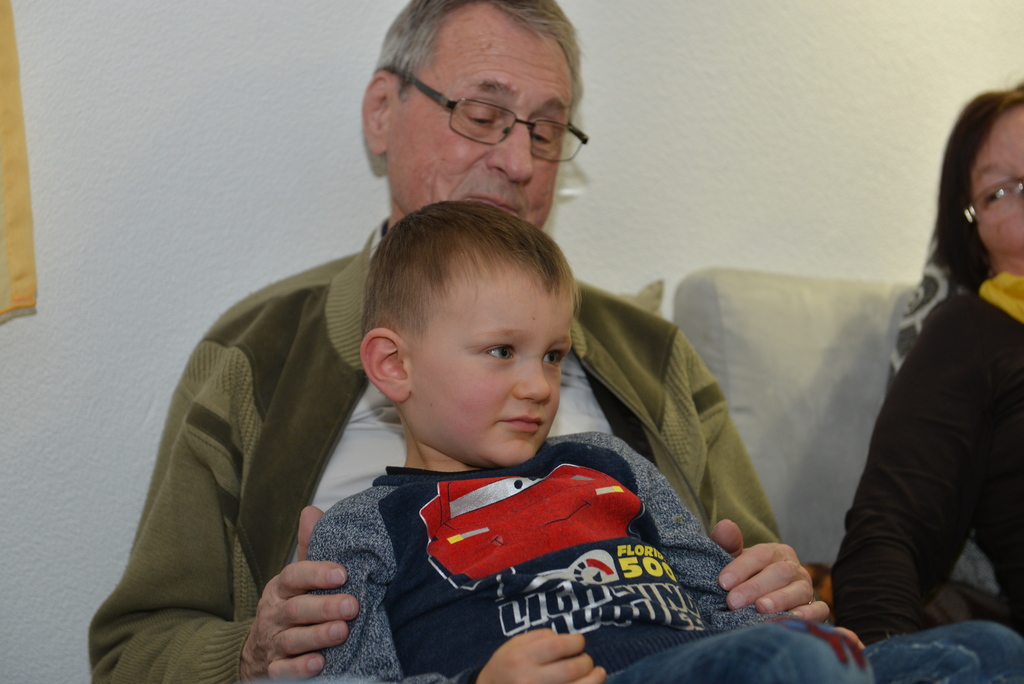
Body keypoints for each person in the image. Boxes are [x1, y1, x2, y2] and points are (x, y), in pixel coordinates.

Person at [89, 2, 824, 682]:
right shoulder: (259, 353)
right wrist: (251, 655)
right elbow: (132, 653)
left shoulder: (650, 353)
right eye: (482, 114)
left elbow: (766, 578)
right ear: (382, 112)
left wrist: (772, 585)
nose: (519, 161)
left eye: (545, 130)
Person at [309, 199, 1024, 684]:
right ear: (394, 365)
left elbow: (720, 598)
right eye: (502, 352)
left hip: (708, 662)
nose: (537, 385)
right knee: (790, 664)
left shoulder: (610, 465)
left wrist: (772, 602)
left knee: (989, 651)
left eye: (553, 356)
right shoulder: (364, 527)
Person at [833, 82, 1024, 645]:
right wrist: (896, 670)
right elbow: (887, 534)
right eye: (1001, 190)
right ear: (976, 239)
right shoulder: (973, 334)